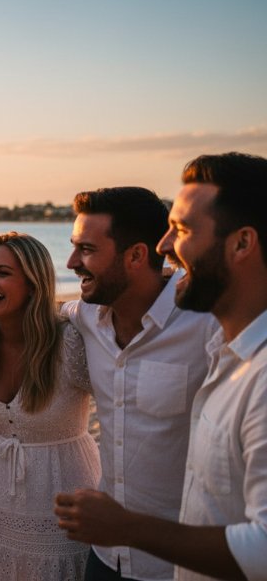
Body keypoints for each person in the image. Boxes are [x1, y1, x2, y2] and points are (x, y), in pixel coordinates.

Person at [56, 152, 267, 581]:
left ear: (242, 243)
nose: (165, 247)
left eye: (183, 230)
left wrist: (127, 527)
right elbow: (50, 308)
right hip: (105, 558)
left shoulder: (222, 341)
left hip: (168, 565)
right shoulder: (89, 319)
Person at [61, 186, 218, 581]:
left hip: (178, 564)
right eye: (74, 247)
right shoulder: (85, 317)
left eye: (87, 250)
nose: (71, 262)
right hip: (104, 557)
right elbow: (41, 312)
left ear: (135, 255)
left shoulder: (206, 322)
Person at [0, 232, 99, 579]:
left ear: (33, 284)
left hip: (67, 498)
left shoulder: (70, 342)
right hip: (2, 498)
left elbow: (122, 403)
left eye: (2, 272)